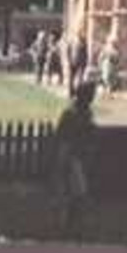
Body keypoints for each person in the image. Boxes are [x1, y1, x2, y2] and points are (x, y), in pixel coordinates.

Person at [53, 82, 96, 236]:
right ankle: (66, 223)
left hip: (78, 154)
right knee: (75, 191)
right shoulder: (71, 114)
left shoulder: (86, 113)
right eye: (90, 95)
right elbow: (63, 137)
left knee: (76, 191)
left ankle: (70, 222)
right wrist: (63, 156)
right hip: (70, 154)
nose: (92, 99)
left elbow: (88, 134)